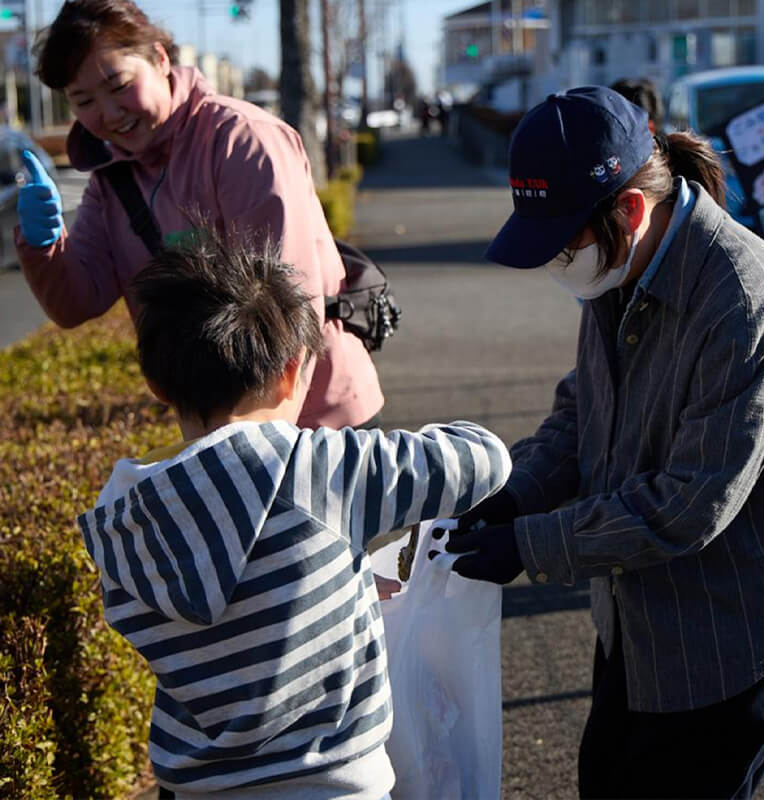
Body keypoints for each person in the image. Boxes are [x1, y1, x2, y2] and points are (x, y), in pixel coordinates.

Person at [439, 86, 764, 798]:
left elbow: (688, 504)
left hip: (730, 632)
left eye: (560, 244)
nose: (556, 264)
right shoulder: (620, 262)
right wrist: (515, 494)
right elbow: (583, 407)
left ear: (630, 210)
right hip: (637, 613)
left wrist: (532, 545)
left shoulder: (744, 302)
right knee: (605, 779)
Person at [76, 225, 512, 799]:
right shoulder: (317, 469)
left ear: (157, 385)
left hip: (199, 789)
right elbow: (483, 459)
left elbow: (233, 587)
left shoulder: (122, 513)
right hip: (334, 786)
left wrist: (334, 579)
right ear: (291, 373)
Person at [16, 0, 383, 430]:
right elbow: (76, 303)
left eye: (119, 85)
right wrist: (43, 245)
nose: (110, 114)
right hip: (216, 425)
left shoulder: (241, 140)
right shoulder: (111, 178)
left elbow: (288, 297)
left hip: (317, 416)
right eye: (83, 100)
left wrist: (266, 434)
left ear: (160, 59)